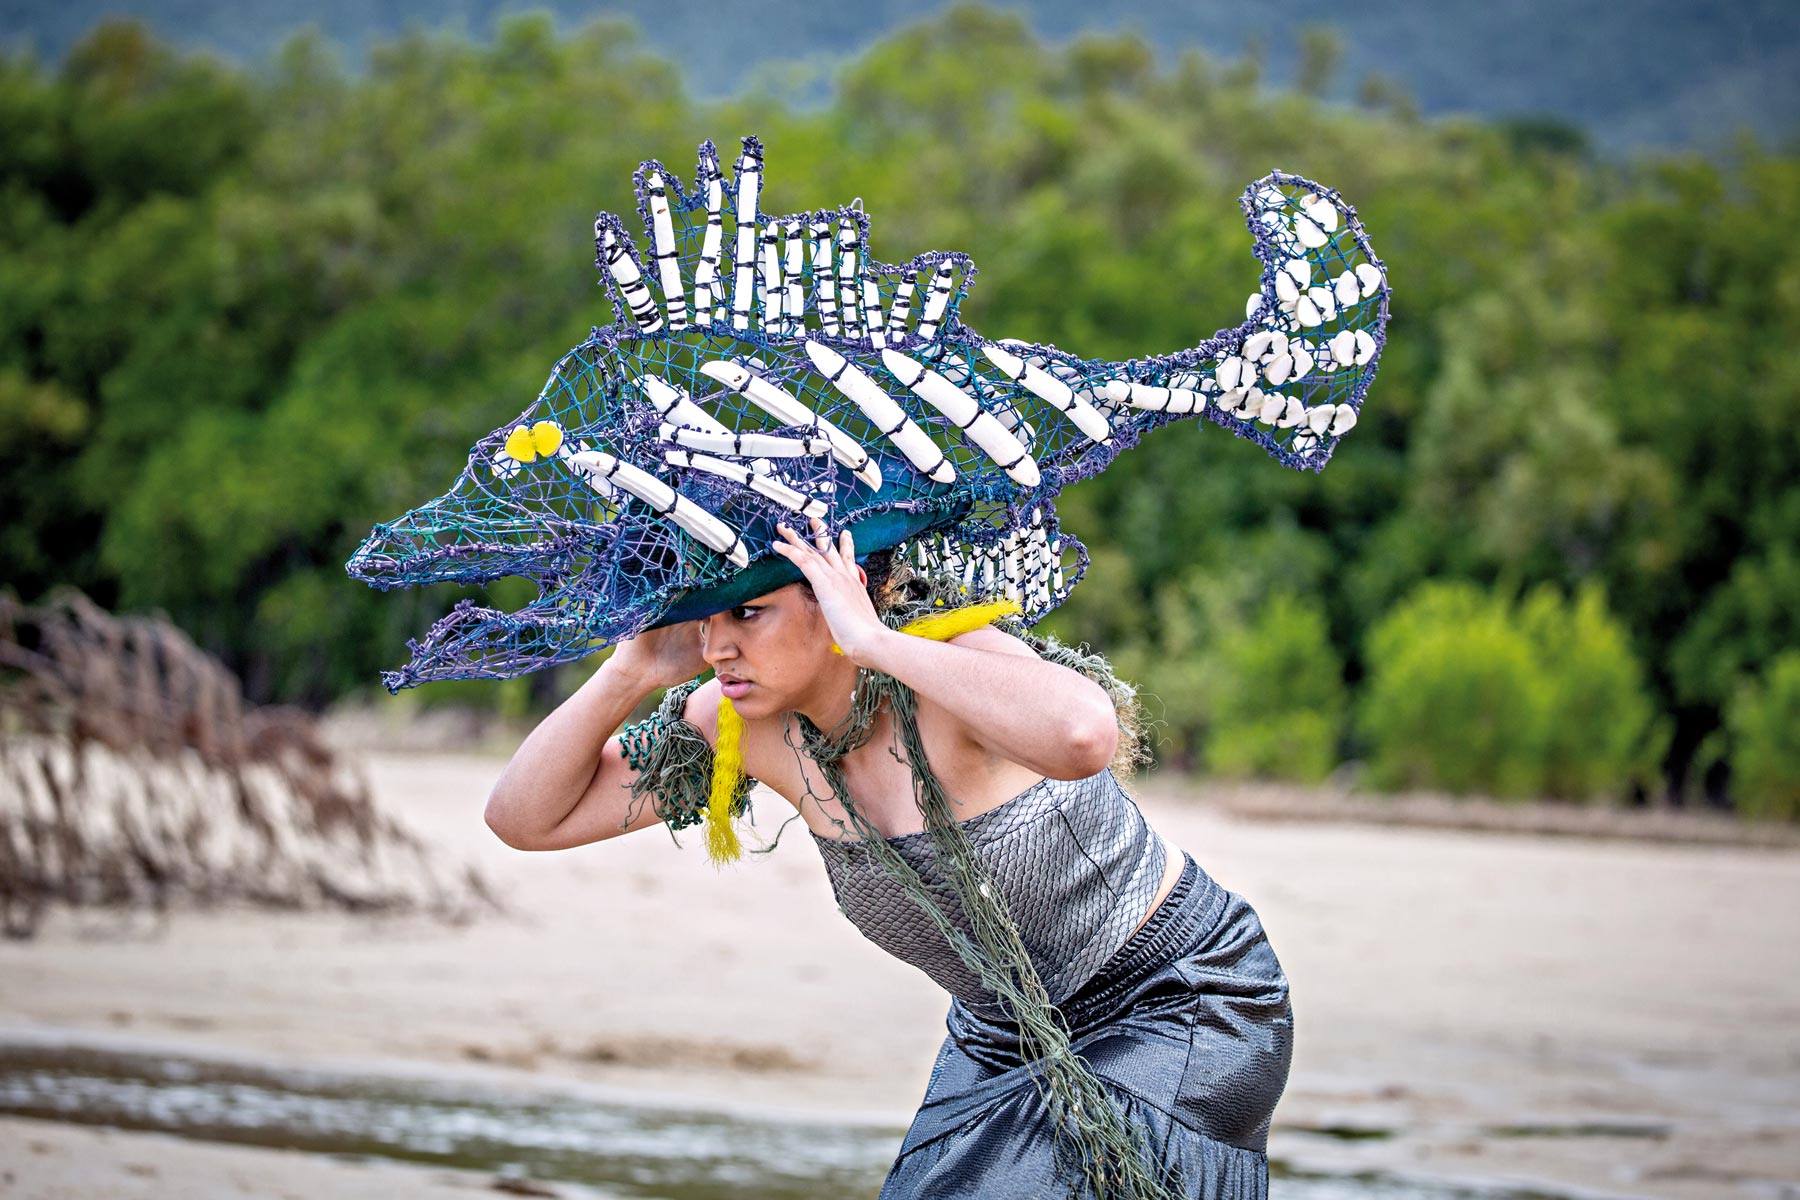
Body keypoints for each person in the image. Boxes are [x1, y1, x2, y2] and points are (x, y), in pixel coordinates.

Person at [484, 515, 1295, 1200]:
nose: (719, 646)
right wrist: (628, 672)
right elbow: (525, 819)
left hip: (1177, 997)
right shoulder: (741, 723)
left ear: (837, 593)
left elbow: (1085, 737)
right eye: (708, 620)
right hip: (1002, 1032)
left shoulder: (944, 657)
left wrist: (874, 641)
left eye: (749, 614)